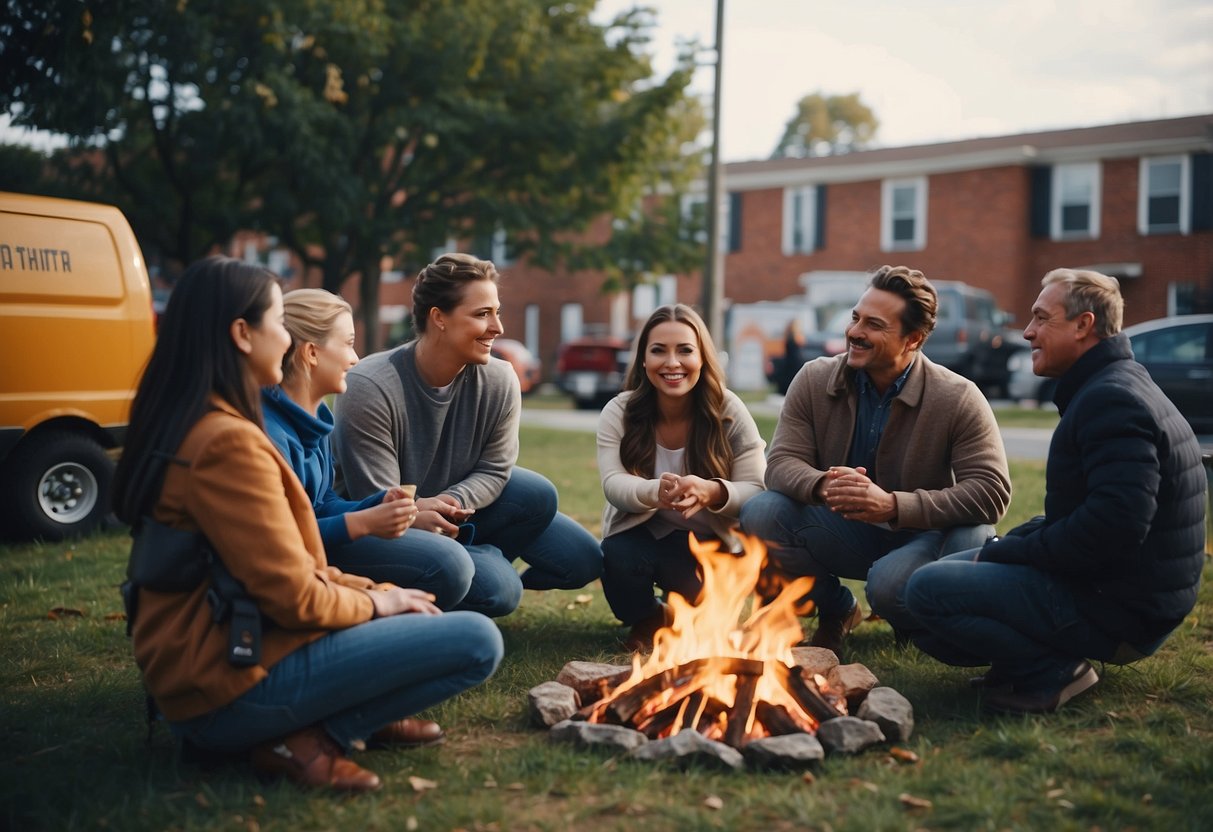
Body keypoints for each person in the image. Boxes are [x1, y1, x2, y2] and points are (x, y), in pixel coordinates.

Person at [112, 256, 503, 792]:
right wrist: (378, 603)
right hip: (220, 684)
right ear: (243, 334)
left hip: (215, 658)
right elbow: (295, 595)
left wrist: (379, 590)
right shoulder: (229, 443)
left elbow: (286, 561)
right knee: (477, 640)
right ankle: (300, 738)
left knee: (413, 608)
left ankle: (331, 712)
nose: (289, 339)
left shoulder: (198, 422)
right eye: (279, 324)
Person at [904, 269, 1206, 714]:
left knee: (926, 589)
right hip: (1125, 593)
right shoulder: (1112, 385)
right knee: (952, 569)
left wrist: (1009, 554)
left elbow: (1112, 528)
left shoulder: (1112, 399)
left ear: (1083, 325)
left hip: (1126, 611)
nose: (1027, 332)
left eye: (1042, 319)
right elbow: (1091, 514)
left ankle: (1051, 669)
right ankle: (1022, 662)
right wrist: (1008, 545)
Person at [740, 265, 1011, 657]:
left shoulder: (958, 396)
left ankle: (912, 616)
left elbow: (990, 493)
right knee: (762, 511)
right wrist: (823, 484)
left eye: (873, 325)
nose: (854, 332)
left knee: (888, 587)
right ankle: (838, 609)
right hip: (847, 531)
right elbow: (780, 462)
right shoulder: (814, 379)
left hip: (925, 533)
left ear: (912, 339)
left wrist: (893, 505)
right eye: (855, 318)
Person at [333, 253, 602, 615]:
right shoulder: (371, 385)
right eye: (481, 314)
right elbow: (377, 499)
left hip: (458, 509)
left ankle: (477, 555)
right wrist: (418, 510)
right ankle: (466, 571)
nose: (498, 327)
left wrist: (451, 502)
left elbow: (495, 468)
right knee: (499, 591)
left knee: (575, 550)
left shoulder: (501, 378)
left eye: (497, 311)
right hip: (383, 527)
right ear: (438, 318)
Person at [262, 289, 475, 611]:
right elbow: (281, 537)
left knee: (470, 564)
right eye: (348, 343)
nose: (355, 358)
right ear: (311, 353)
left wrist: (378, 503)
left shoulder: (317, 418)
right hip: (298, 566)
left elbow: (321, 503)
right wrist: (365, 522)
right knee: (456, 568)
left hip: (325, 544)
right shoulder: (269, 436)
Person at [597, 304, 767, 650]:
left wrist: (713, 491)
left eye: (685, 350)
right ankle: (648, 617)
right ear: (643, 360)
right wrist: (653, 491)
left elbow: (758, 490)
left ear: (702, 357)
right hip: (644, 538)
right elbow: (613, 483)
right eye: (658, 350)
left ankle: (695, 612)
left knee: (704, 621)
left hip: (711, 547)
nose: (672, 363)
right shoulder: (620, 411)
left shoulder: (728, 410)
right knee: (618, 555)